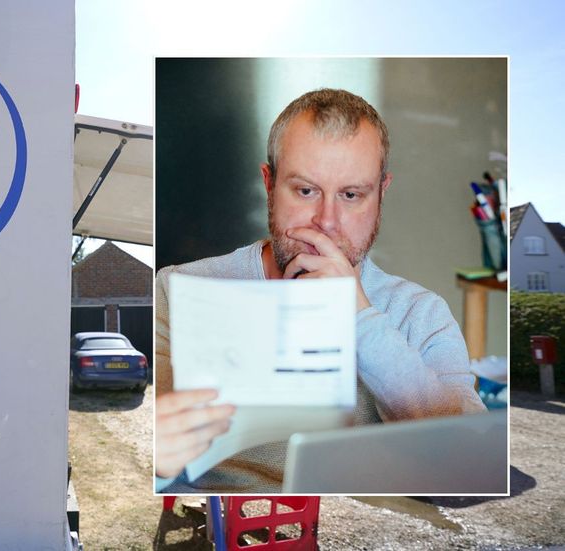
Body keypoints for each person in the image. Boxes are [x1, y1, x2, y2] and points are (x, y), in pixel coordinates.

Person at [154, 88, 486, 493]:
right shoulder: (177, 289)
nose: (327, 221)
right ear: (269, 184)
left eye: (351, 195)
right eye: (306, 190)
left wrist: (360, 319)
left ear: (381, 194)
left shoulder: (421, 313)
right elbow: (154, 466)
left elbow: (473, 464)